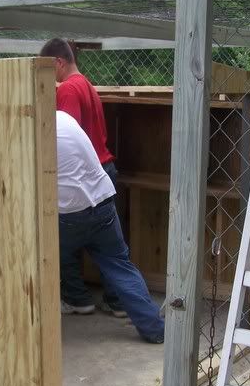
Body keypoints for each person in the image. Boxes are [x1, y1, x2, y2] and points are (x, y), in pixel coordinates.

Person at [55, 110, 164, 343]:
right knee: (119, 265)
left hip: (68, 213)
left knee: (47, 257)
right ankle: (155, 329)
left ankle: (76, 299)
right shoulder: (65, 118)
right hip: (102, 200)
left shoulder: (35, 128)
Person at [40, 37, 126, 317]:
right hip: (103, 171)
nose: (47, 76)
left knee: (61, 241)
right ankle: (117, 301)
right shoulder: (86, 84)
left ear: (58, 62)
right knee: (111, 249)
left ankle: (77, 298)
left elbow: (63, 137)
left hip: (83, 178)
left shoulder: (67, 90)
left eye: (47, 68)